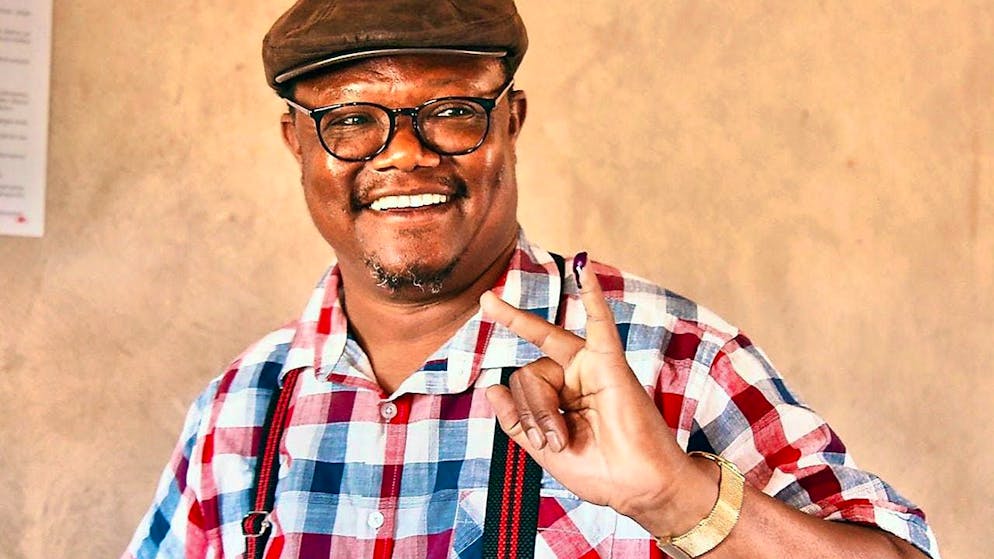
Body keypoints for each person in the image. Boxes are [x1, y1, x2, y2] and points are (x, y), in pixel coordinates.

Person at [124, 1, 940, 558]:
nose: (404, 155)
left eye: (451, 111)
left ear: (510, 122)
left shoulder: (671, 360)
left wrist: (677, 496)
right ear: (296, 144)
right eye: (351, 121)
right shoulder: (241, 409)